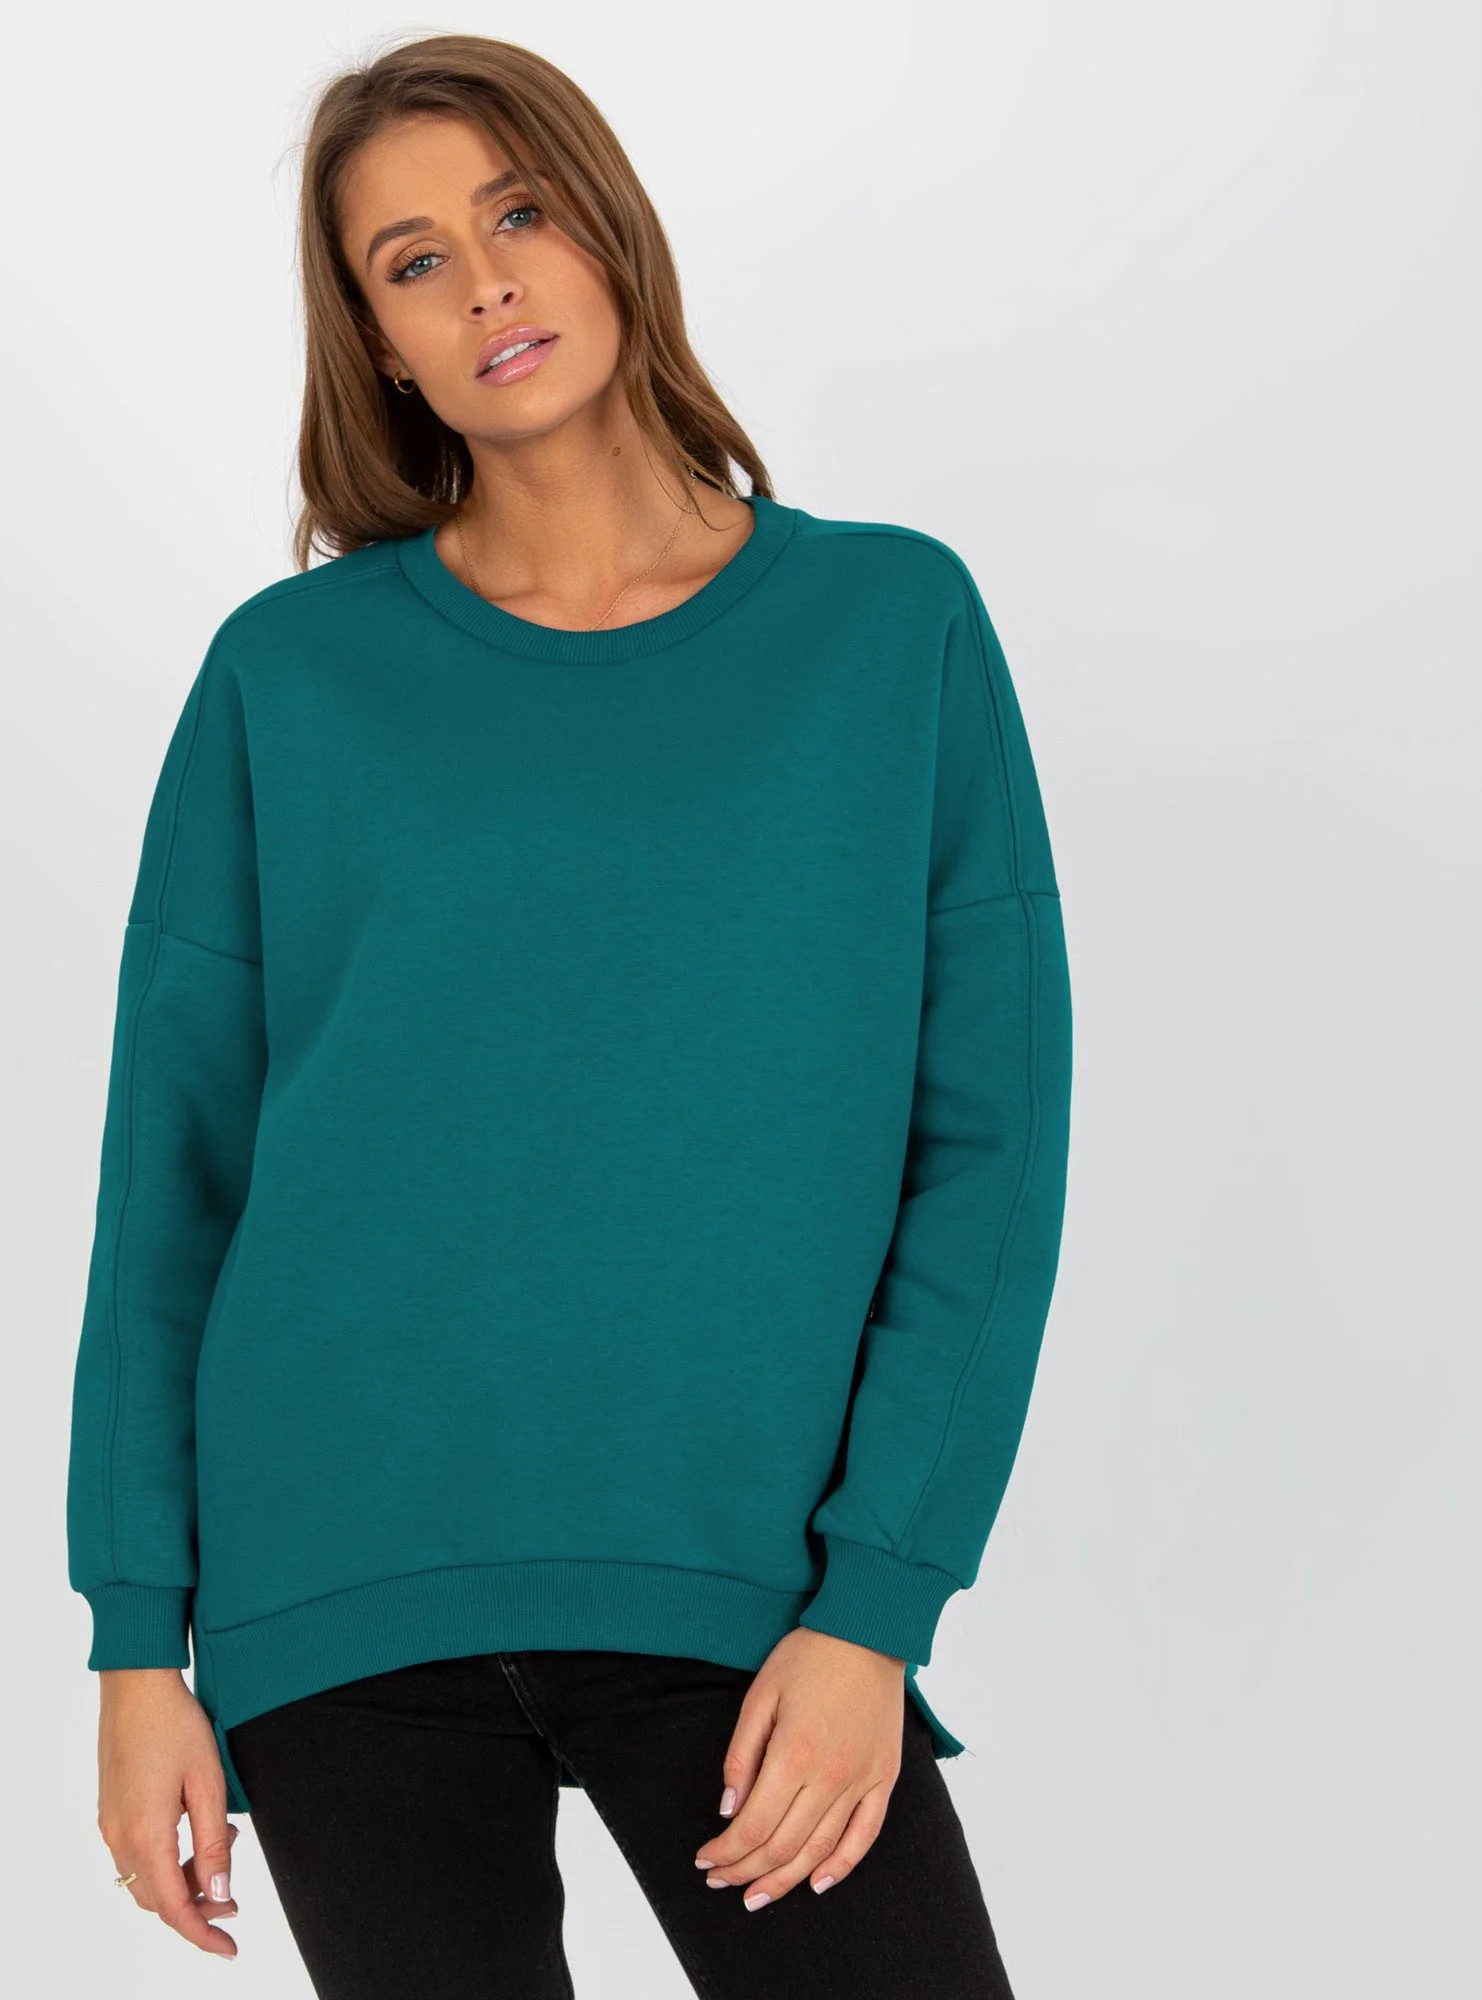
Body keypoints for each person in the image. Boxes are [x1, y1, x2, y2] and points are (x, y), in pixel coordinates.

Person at [65, 32, 1073, 1999]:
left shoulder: (890, 629)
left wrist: (878, 1604)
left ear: (608, 229)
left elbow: (989, 1153)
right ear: (378, 344)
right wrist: (131, 1640)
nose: (486, 283)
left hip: (749, 1592)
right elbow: (168, 1179)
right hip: (334, 1597)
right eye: (413, 261)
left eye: (516, 213)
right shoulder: (288, 677)